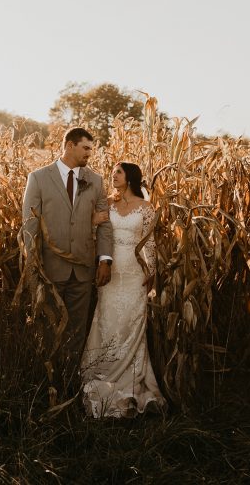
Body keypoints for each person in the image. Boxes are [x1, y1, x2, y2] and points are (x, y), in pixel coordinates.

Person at [21, 127, 114, 396]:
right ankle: (44, 384)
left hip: (84, 270)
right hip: (50, 269)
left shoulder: (94, 181)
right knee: (49, 328)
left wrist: (104, 260)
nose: (89, 154)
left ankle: (70, 385)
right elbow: (29, 224)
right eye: (85, 148)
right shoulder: (39, 178)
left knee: (76, 330)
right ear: (70, 146)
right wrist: (34, 265)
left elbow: (104, 224)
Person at [80, 161, 166, 418]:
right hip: (110, 270)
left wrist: (151, 272)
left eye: (118, 172)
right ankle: (102, 374)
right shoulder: (107, 203)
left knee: (132, 323)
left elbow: (149, 242)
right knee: (107, 319)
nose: (113, 176)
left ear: (130, 177)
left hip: (134, 274)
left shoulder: (146, 208)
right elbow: (94, 232)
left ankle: (133, 381)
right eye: (113, 173)